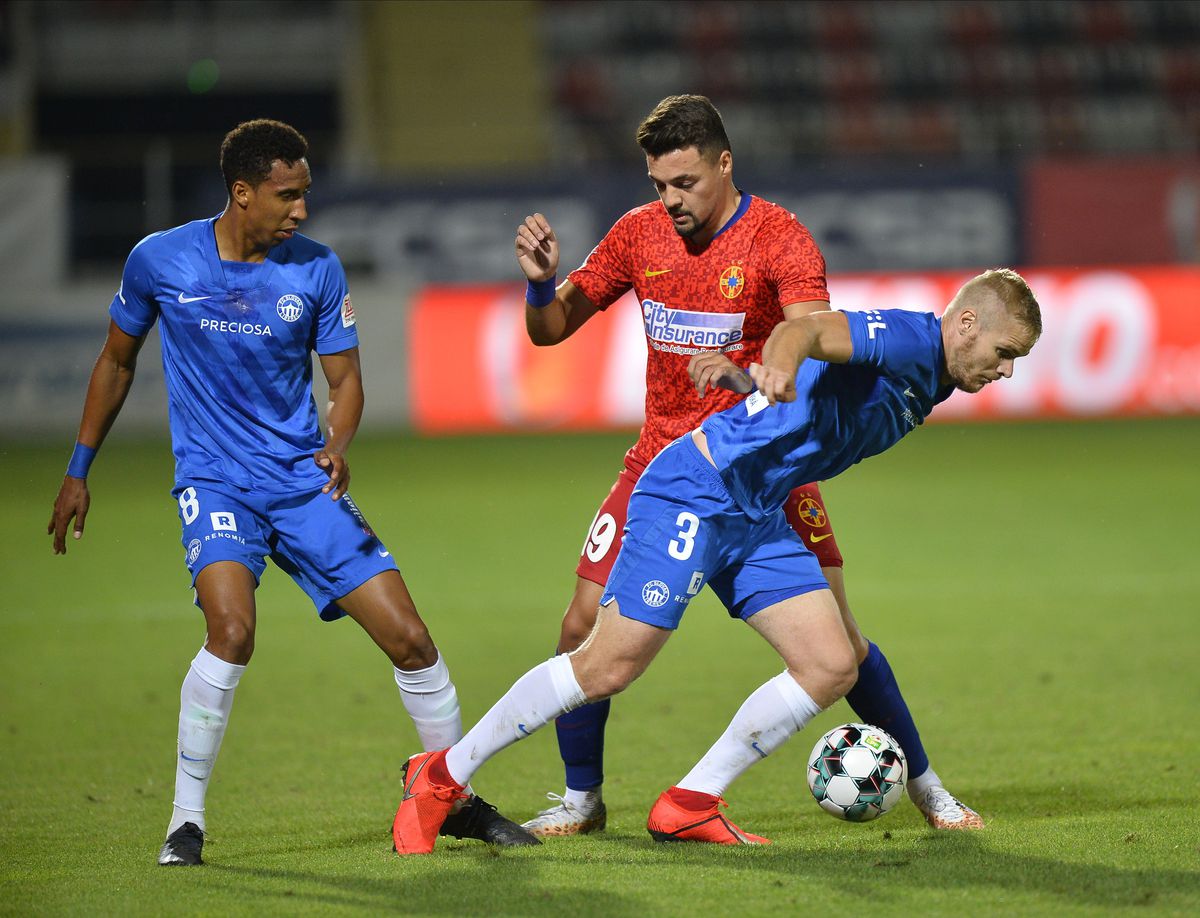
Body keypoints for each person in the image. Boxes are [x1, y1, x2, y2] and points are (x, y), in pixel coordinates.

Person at [392, 268, 1041, 854]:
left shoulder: (938, 376)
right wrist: (778, 365)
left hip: (757, 509)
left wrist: (750, 382)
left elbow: (816, 396)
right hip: (697, 489)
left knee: (831, 662)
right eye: (1004, 353)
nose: (1007, 371)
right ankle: (442, 775)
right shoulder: (905, 339)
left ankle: (691, 802)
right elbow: (805, 331)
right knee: (608, 664)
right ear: (966, 323)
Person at [45, 119, 537, 866]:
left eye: (305, 193)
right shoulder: (160, 260)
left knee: (411, 639)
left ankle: (454, 799)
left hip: (303, 483)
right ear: (242, 192)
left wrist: (337, 444)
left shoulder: (316, 270)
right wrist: (79, 469)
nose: (302, 210)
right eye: (288, 195)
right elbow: (116, 362)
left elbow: (345, 380)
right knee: (232, 631)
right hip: (216, 483)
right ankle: (185, 821)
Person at [512, 93, 982, 836]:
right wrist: (542, 282)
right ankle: (581, 801)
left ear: (724, 163)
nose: (669, 200)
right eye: (658, 184)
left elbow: (814, 342)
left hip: (768, 464)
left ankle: (930, 792)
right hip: (663, 463)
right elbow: (550, 330)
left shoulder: (780, 238)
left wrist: (750, 375)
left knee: (842, 645)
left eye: (685, 182)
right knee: (580, 626)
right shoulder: (637, 234)